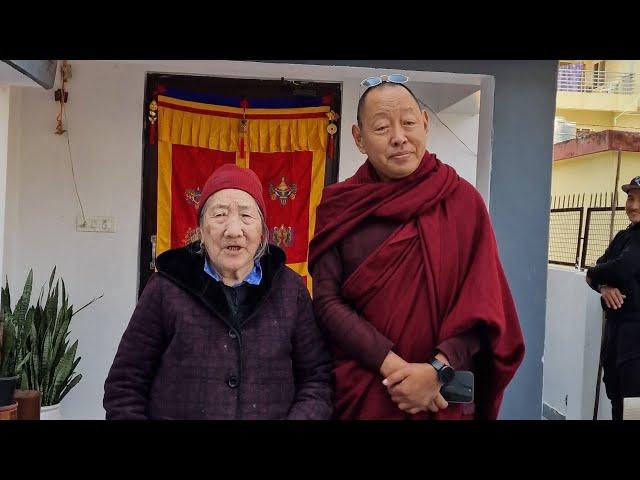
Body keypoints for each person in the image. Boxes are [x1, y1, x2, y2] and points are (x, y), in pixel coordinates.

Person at [308, 75, 525, 420]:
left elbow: (484, 305)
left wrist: (436, 371)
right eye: (381, 128)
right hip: (366, 389)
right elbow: (326, 302)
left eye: (408, 123)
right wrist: (394, 368)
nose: (399, 138)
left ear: (424, 123)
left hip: (441, 395)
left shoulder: (462, 201)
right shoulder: (340, 205)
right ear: (358, 138)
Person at [104, 164, 333, 419]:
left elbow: (317, 378)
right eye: (220, 215)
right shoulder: (165, 288)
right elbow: (125, 386)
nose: (233, 230)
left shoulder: (290, 290)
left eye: (246, 216)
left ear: (262, 232)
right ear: (201, 231)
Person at [586, 176, 640, 420]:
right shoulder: (623, 236)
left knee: (633, 404)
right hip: (616, 334)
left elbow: (623, 267)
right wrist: (604, 286)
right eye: (631, 198)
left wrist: (595, 275)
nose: (633, 205)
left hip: (636, 338)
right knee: (617, 397)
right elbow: (599, 268)